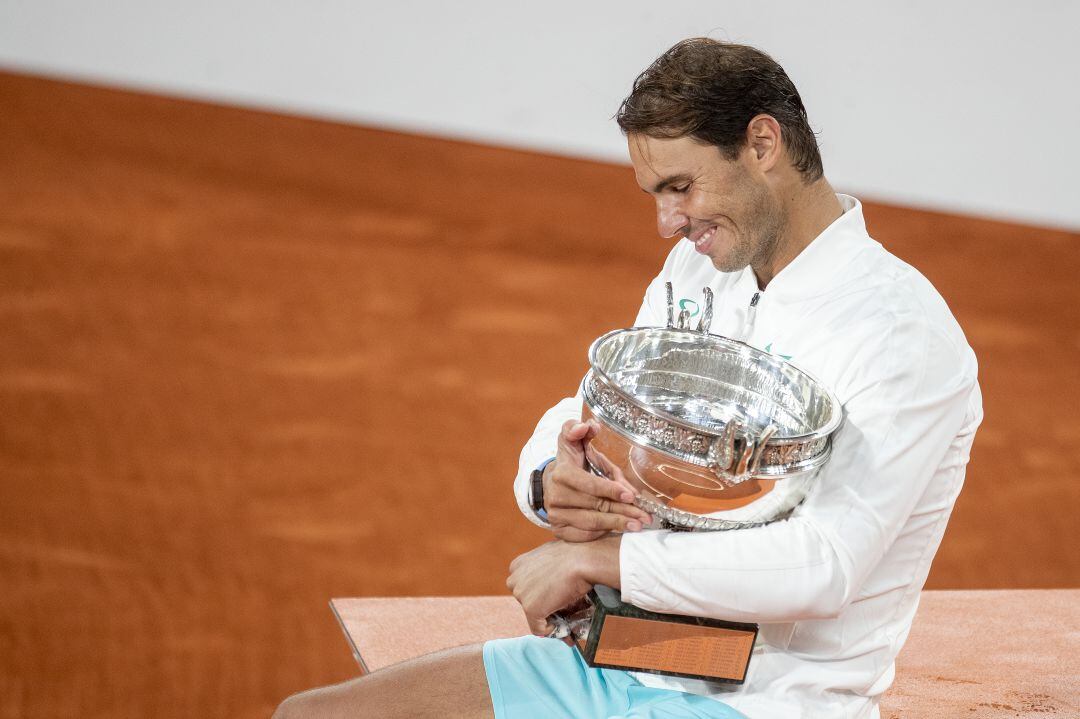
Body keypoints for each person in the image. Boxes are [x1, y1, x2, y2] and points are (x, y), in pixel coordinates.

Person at [274, 37, 982, 719]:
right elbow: (593, 405)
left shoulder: (898, 331)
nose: (667, 222)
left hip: (771, 700)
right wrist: (552, 476)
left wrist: (607, 561)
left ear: (762, 145)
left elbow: (824, 565)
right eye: (655, 192)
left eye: (681, 186)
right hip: (637, 658)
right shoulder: (702, 270)